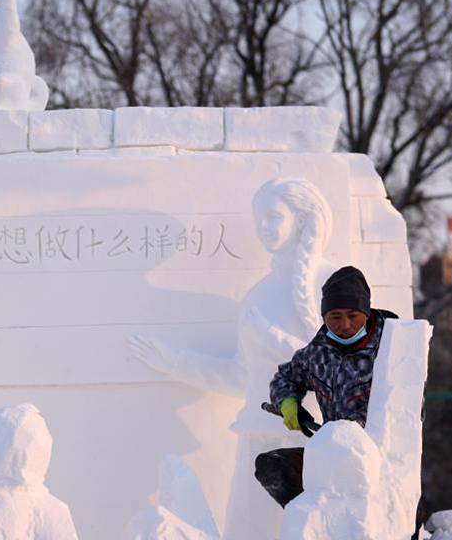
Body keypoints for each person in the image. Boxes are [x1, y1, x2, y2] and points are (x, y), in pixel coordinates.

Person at [129, 177, 336, 539]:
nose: (263, 228)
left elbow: (337, 365)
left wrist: (272, 339)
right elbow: (242, 377)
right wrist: (175, 362)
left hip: (312, 441)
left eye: (273, 217)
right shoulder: (258, 296)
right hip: (257, 437)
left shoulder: (331, 283)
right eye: (259, 220)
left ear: (301, 219)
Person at [255, 265, 398, 508]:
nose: (344, 325)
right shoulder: (318, 352)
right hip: (333, 456)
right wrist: (288, 403)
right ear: (324, 317)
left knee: (400, 519)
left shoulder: (394, 345)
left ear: (367, 311)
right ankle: (317, 522)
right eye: (335, 317)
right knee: (272, 466)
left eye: (353, 316)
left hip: (384, 463)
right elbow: (285, 376)